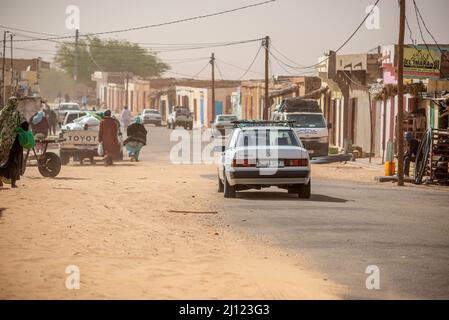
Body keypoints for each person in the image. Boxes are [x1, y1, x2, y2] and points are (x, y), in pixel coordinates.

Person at [0, 97, 28, 188]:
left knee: (2, 160)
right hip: (14, 141)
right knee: (14, 161)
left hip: (3, 140)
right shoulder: (18, 114)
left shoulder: (3, 112)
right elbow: (25, 125)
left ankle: (0, 180)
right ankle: (13, 183)